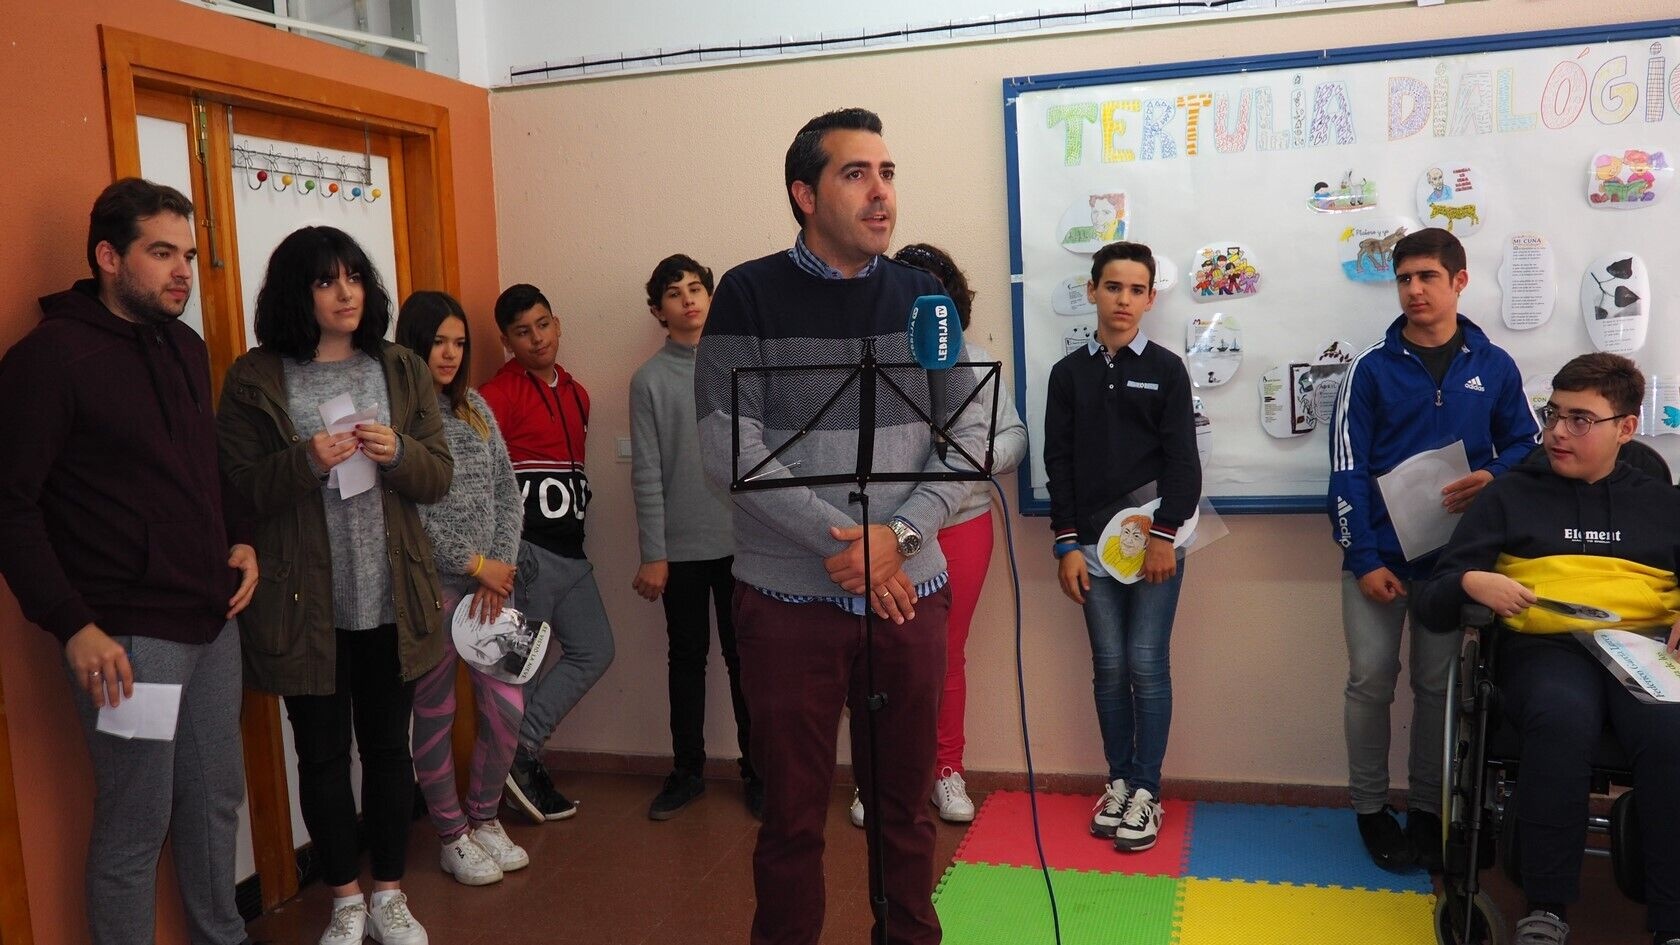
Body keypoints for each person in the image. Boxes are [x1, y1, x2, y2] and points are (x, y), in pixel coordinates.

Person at [694, 107, 983, 945]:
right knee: (790, 820)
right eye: (857, 174)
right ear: (804, 193)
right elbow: (725, 444)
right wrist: (844, 543)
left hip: (908, 592)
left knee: (904, 813)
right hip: (788, 601)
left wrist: (902, 539)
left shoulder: (925, 298)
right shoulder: (746, 295)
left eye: (888, 172)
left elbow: (966, 428)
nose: (881, 191)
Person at [0, 178, 257, 945]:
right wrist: (72, 623)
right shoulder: (49, 359)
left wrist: (239, 534)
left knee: (215, 801)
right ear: (109, 256)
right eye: (162, 252)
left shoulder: (185, 345)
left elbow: (201, 464)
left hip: (212, 621)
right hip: (126, 643)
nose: (183, 270)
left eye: (187, 253)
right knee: (136, 820)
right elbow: (10, 505)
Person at [217, 226, 452, 945]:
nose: (346, 291)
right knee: (318, 754)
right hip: (302, 607)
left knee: (388, 751)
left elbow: (437, 475)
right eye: (326, 280)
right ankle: (344, 898)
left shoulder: (400, 366)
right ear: (297, 291)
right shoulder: (257, 376)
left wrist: (401, 451)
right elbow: (236, 487)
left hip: (391, 599)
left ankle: (388, 892)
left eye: (354, 275)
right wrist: (306, 460)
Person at [1412, 353, 1680, 945]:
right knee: (1560, 717)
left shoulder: (1665, 505)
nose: (1558, 432)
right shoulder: (1509, 496)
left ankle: (1672, 920)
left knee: (1671, 732)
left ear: (1626, 428)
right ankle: (1547, 907)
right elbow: (1431, 602)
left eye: (1581, 419)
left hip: (1644, 651)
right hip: (1547, 649)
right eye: (1553, 413)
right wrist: (1469, 581)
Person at [1327, 226, 1539, 873]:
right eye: (1404, 278)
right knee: (1369, 680)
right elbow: (1346, 469)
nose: (1414, 290)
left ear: (1459, 281)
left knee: (1437, 686)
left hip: (1456, 565)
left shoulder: (1494, 365)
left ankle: (1424, 809)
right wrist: (1364, 558)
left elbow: (1529, 446)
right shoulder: (1371, 368)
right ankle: (1369, 808)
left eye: (1427, 277)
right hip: (1379, 561)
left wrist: (1495, 474)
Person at [848, 243, 1025, 826]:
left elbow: (1015, 439)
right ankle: (879, 776)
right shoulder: (875, 359)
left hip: (964, 526)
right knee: (883, 655)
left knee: (944, 657)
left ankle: (945, 771)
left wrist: (970, 458)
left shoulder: (974, 360)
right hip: (891, 532)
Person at [1044, 240, 1200, 854]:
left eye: (1137, 290)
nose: (1124, 300)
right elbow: (1059, 463)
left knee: (1145, 662)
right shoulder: (1068, 374)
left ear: (1151, 298)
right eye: (1113, 287)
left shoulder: (1165, 369)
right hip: (1090, 547)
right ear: (1092, 291)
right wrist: (1065, 545)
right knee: (1108, 665)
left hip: (1158, 546)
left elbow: (1184, 463)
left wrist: (1163, 536)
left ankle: (1146, 790)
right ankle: (1118, 779)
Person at [395, 291, 531, 886]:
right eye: (437, 342)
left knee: (507, 707)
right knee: (436, 711)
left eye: (458, 342)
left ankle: (484, 818)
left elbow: (506, 489)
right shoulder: (400, 419)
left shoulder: (475, 406)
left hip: (487, 591)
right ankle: (449, 833)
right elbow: (408, 511)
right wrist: (474, 563)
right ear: (413, 344)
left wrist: (498, 567)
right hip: (433, 589)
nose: (449, 354)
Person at [630, 254, 759, 820]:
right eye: (675, 293)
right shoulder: (648, 381)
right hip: (679, 550)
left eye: (697, 288)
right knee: (686, 659)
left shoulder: (743, 366)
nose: (689, 299)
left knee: (746, 660)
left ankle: (760, 772)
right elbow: (647, 471)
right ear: (659, 310)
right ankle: (687, 772)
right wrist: (653, 553)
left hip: (747, 544)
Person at [480, 283, 615, 823]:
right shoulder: (495, 396)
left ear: (557, 324)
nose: (536, 339)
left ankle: (518, 754)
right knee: (521, 671)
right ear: (507, 341)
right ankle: (515, 767)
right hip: (527, 554)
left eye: (542, 325)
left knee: (595, 649)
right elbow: (485, 480)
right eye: (522, 332)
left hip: (573, 554)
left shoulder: (579, 394)